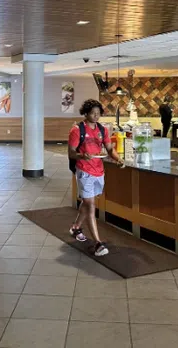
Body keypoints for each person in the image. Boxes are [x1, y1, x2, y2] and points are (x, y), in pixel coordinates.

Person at [68, 99, 124, 256]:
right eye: (93, 113)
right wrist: (82, 155)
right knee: (90, 205)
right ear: (85, 113)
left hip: (99, 171)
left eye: (98, 113)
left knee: (88, 203)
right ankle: (98, 244)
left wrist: (118, 159)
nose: (96, 116)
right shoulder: (77, 130)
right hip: (84, 171)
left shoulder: (102, 129)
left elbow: (109, 149)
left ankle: (76, 227)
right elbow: (71, 153)